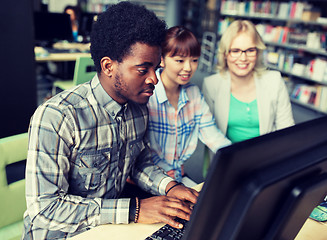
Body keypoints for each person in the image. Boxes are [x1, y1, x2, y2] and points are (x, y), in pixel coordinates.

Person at [22, 2, 198, 239]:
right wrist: (135, 210)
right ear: (108, 66)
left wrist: (170, 187)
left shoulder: (138, 109)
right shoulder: (58, 117)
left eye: (156, 69)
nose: (154, 80)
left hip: (110, 229)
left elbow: (138, 164)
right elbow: (45, 208)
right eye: (143, 70)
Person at [147, 26, 231, 185]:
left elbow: (212, 136)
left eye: (194, 60)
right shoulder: (147, 94)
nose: (188, 68)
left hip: (177, 178)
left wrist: (238, 157)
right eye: (180, 60)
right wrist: (164, 169)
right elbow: (142, 150)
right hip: (150, 179)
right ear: (162, 59)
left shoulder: (193, 93)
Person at [202, 20, 294, 143]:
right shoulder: (211, 85)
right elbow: (209, 134)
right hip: (228, 157)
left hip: (269, 157)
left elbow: (286, 131)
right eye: (235, 51)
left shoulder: (275, 81)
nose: (243, 58)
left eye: (250, 50)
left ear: (258, 52)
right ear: (225, 54)